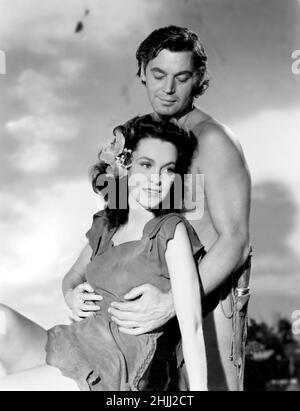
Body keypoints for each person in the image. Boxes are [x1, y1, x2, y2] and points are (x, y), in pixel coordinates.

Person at [0, 116, 207, 391]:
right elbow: (72, 276)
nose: (158, 179)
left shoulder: (170, 231)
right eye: (147, 165)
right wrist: (71, 295)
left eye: (168, 169)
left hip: (110, 370)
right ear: (124, 166)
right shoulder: (106, 226)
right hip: (72, 343)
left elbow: (192, 327)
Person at [100, 26, 251, 391]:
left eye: (181, 77)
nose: (168, 89)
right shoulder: (143, 141)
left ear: (197, 78)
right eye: (158, 75)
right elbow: (118, 221)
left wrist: (173, 303)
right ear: (141, 72)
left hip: (207, 301)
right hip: (149, 299)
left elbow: (236, 240)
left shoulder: (213, 140)